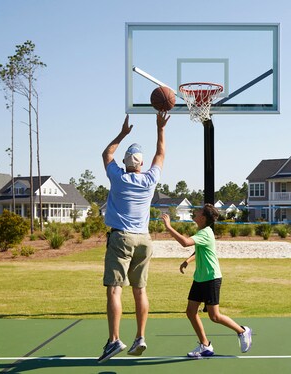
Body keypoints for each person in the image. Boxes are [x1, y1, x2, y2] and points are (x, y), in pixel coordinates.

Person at [97, 111, 169, 364]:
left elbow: (107, 154)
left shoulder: (118, 176)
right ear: (140, 164)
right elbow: (160, 154)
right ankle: (140, 337)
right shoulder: (149, 179)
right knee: (140, 290)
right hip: (144, 240)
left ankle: (114, 339)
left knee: (115, 290)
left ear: (127, 162)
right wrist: (160, 127)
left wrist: (122, 133)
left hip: (122, 239)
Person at [161, 204, 252, 357]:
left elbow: (185, 242)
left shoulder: (205, 232)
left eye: (198, 212)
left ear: (202, 217)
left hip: (211, 278)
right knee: (191, 312)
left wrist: (168, 227)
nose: (195, 213)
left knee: (214, 316)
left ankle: (242, 331)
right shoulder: (202, 232)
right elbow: (199, 250)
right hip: (200, 278)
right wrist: (188, 261)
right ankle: (205, 345)